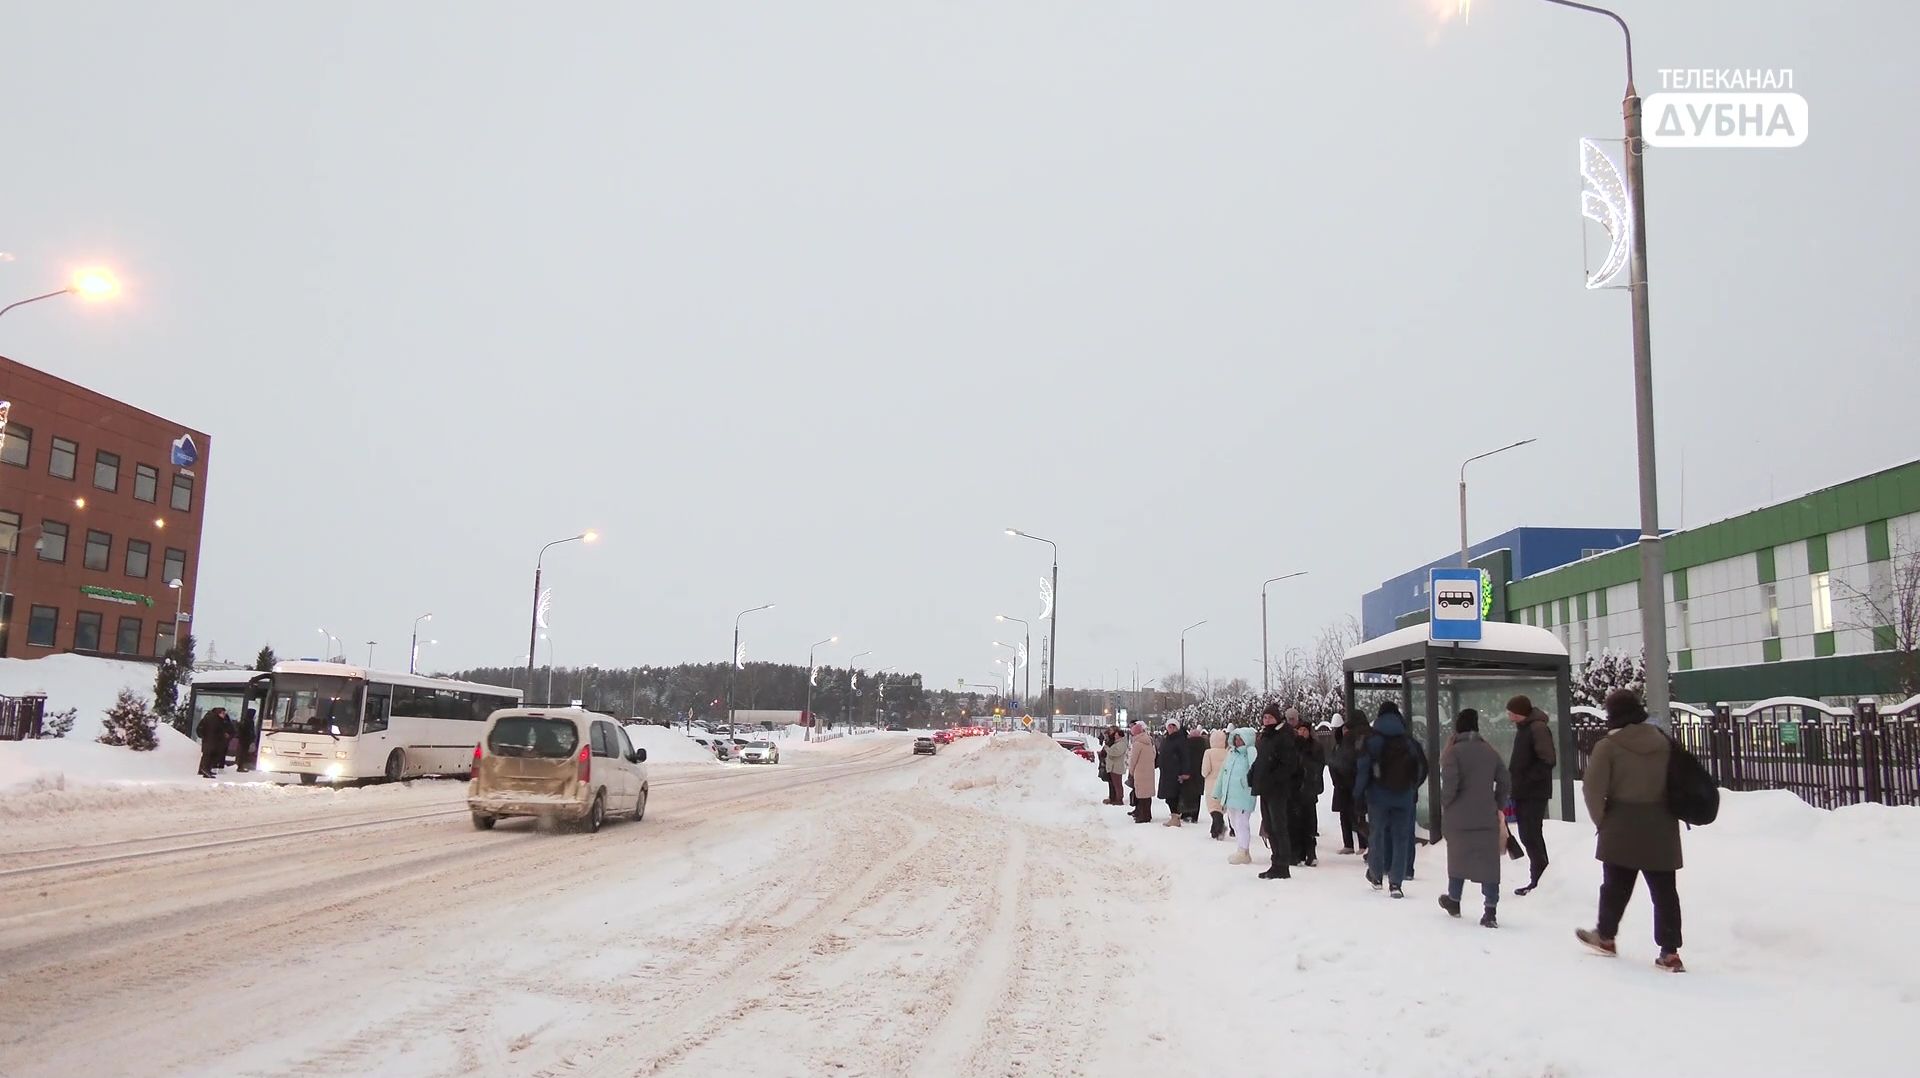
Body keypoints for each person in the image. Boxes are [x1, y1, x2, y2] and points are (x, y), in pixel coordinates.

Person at [1577, 688, 1687, 973]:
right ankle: (1670, 952)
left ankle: (1606, 937)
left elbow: (1592, 789)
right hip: (1661, 824)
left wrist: (1603, 821)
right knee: (1664, 891)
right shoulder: (1664, 742)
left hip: (1621, 825)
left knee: (1615, 887)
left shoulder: (1609, 746)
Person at [1439, 708, 1512, 928]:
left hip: (1459, 817)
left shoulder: (1453, 752)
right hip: (1485, 815)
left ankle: (1454, 900)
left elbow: (1450, 785)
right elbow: (1505, 780)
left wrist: (1446, 802)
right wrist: (1498, 803)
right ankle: (1490, 910)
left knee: (1457, 858)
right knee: (1489, 863)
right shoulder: (1489, 751)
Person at [1354, 700, 1427, 899]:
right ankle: (1396, 882)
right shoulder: (1409, 741)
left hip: (1378, 797)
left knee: (1376, 834)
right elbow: (1422, 768)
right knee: (1402, 838)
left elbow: (1362, 770)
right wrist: (1411, 788)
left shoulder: (1372, 740)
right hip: (1403, 797)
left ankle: (1376, 875)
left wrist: (1358, 795)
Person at [1505, 695, 1557, 896]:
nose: (1509, 717)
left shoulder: (1536, 728)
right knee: (1529, 835)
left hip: (1533, 792)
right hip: (1525, 790)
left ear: (1520, 713)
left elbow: (1548, 759)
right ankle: (1539, 879)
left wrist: (1525, 778)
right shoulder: (1526, 728)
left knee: (1531, 835)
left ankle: (1541, 880)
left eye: (1511, 713)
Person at [1247, 704, 1299, 879]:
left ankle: (1282, 864)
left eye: (1269, 717)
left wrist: (1272, 778)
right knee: (1269, 826)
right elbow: (1261, 760)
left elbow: (1289, 765)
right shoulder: (1266, 737)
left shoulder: (1284, 736)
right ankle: (1275, 861)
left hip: (1278, 789)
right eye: (1264, 717)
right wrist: (1252, 774)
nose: (1266, 720)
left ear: (1277, 718)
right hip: (1265, 788)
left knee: (1279, 826)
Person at [1214, 727, 1258, 865]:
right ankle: (1241, 849)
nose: (1238, 742)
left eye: (1241, 739)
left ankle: (1243, 850)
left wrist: (1247, 783)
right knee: (1233, 822)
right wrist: (1218, 791)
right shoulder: (1231, 753)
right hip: (1231, 794)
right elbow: (1223, 772)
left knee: (1241, 823)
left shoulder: (1250, 752)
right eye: (1236, 739)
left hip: (1244, 794)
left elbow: (1255, 770)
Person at [1329, 711, 1370, 855]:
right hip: (1344, 784)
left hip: (1350, 782)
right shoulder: (1342, 743)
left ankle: (1362, 844)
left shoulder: (1353, 740)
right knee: (1348, 814)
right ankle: (1351, 844)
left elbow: (1345, 761)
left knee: (1356, 814)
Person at [1287, 709, 1324, 867]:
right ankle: (1297, 853)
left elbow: (1318, 766)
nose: (1302, 732)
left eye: (1304, 730)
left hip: (1309, 789)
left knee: (1309, 822)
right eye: (1300, 729)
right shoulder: (1292, 746)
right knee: (1295, 823)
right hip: (1295, 790)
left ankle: (1310, 852)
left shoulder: (1315, 746)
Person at [1157, 720, 1191, 828]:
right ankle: (1174, 816)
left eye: (1173, 726)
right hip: (1167, 772)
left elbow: (1185, 756)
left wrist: (1185, 772)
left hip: (1175, 772)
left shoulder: (1180, 739)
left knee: (1173, 796)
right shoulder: (1167, 739)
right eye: (1169, 726)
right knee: (1169, 796)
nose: (1171, 729)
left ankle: (1175, 818)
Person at [1126, 722, 1157, 823]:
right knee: (1147, 796)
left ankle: (1143, 816)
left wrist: (1131, 771)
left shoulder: (1137, 744)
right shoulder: (1149, 741)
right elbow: (1154, 755)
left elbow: (1133, 760)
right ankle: (1147, 814)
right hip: (1149, 772)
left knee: (1140, 795)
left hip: (1139, 772)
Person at [1201, 728, 1229, 838]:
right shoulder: (1227, 752)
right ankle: (1216, 829)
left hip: (1212, 784)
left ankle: (1218, 828)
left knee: (1213, 808)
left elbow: (1205, 771)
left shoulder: (1208, 753)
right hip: (1224, 784)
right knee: (1220, 808)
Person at [1182, 726, 1208, 823]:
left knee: (1188, 794)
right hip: (1199, 773)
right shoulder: (1204, 745)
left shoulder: (1187, 745)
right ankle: (1195, 816)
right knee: (1197, 795)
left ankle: (1187, 813)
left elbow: (1184, 758)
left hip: (1189, 772)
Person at [196, 706, 230, 779]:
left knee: (209, 756)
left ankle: (205, 770)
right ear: (218, 713)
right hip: (211, 741)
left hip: (211, 741)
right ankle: (205, 770)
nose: (224, 715)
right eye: (223, 713)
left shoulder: (213, 719)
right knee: (209, 756)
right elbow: (215, 730)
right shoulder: (213, 720)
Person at [1103, 729, 1128, 806]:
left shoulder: (1121, 744)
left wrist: (1107, 749)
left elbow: (1115, 753)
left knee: (1117, 784)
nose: (1114, 736)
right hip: (1114, 766)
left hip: (1117, 766)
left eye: (1116, 735)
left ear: (1120, 735)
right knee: (1115, 783)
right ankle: (1115, 798)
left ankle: (1119, 799)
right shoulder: (1118, 743)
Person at [236, 708, 259, 773]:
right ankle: (240, 767)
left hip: (245, 740)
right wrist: (251, 737)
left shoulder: (246, 720)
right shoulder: (248, 721)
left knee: (243, 753)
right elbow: (247, 731)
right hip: (245, 740)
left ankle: (241, 766)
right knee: (242, 754)